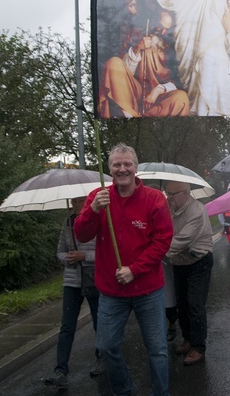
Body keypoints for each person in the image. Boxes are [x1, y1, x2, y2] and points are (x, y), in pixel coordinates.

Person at [74, 143, 173, 396]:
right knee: (106, 347)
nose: (122, 169)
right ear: (109, 170)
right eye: (117, 165)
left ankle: (160, 393)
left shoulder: (154, 199)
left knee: (157, 349)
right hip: (111, 291)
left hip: (148, 289)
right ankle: (125, 390)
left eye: (127, 163)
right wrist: (94, 209)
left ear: (135, 167)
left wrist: (134, 270)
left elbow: (162, 240)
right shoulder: (98, 197)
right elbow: (82, 234)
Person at [43, 197, 103, 389]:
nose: (77, 205)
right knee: (67, 326)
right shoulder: (67, 223)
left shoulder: (98, 219)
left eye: (80, 202)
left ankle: (102, 359)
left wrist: (85, 256)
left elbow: (105, 251)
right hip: (71, 281)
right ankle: (61, 370)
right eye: (74, 202)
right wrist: (67, 258)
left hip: (93, 279)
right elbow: (59, 251)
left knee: (99, 322)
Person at [165, 181, 214, 366]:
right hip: (179, 262)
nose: (169, 197)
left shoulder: (197, 211)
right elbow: (163, 230)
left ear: (185, 193)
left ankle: (198, 347)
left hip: (198, 261)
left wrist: (156, 251)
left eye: (173, 194)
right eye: (167, 193)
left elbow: (181, 240)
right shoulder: (170, 209)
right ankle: (188, 339)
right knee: (182, 304)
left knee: (195, 305)